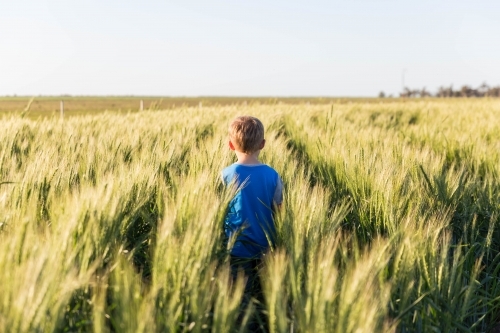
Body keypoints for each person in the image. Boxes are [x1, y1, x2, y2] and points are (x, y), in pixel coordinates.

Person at [221, 116, 283, 296]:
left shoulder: (225, 175)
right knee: (265, 290)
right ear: (263, 144)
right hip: (265, 242)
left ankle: (241, 317)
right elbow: (279, 209)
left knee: (240, 291)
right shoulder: (272, 175)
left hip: (235, 244)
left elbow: (216, 208)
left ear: (230, 145)